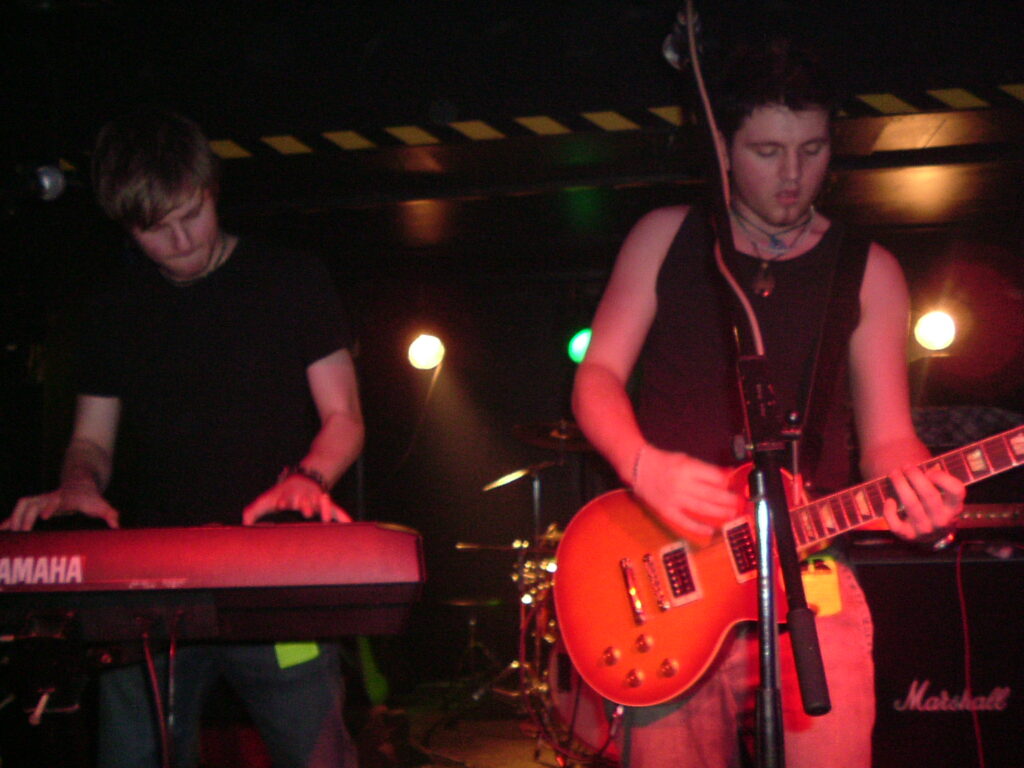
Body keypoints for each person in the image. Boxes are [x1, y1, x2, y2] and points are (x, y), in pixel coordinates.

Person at [571, 39, 966, 767]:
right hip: (670, 573)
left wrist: (919, 484)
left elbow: (888, 440)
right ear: (722, 147)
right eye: (767, 151)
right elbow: (595, 378)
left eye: (812, 149)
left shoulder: (870, 271)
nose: (792, 176)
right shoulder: (665, 237)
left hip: (810, 573)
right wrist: (642, 465)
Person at [4, 108, 364, 768]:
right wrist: (76, 485)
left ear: (211, 189)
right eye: (155, 231)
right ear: (127, 228)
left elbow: (344, 419)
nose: (180, 242)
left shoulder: (292, 279)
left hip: (275, 577)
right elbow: (92, 444)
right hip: (150, 595)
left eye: (189, 215)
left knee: (317, 754)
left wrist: (307, 479)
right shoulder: (113, 308)